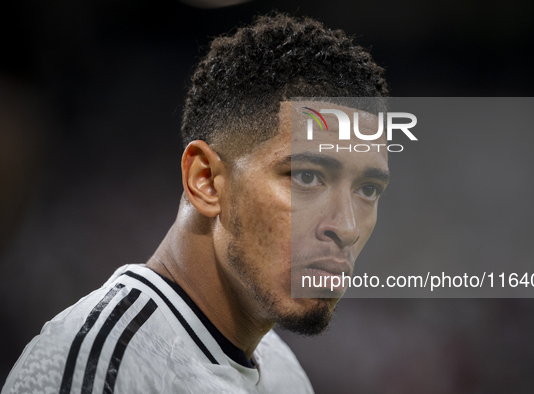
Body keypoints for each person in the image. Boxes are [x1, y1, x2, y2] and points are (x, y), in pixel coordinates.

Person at [2, 13, 389, 394]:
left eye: (368, 189)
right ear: (205, 181)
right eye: (306, 177)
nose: (348, 227)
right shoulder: (104, 367)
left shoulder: (284, 373)